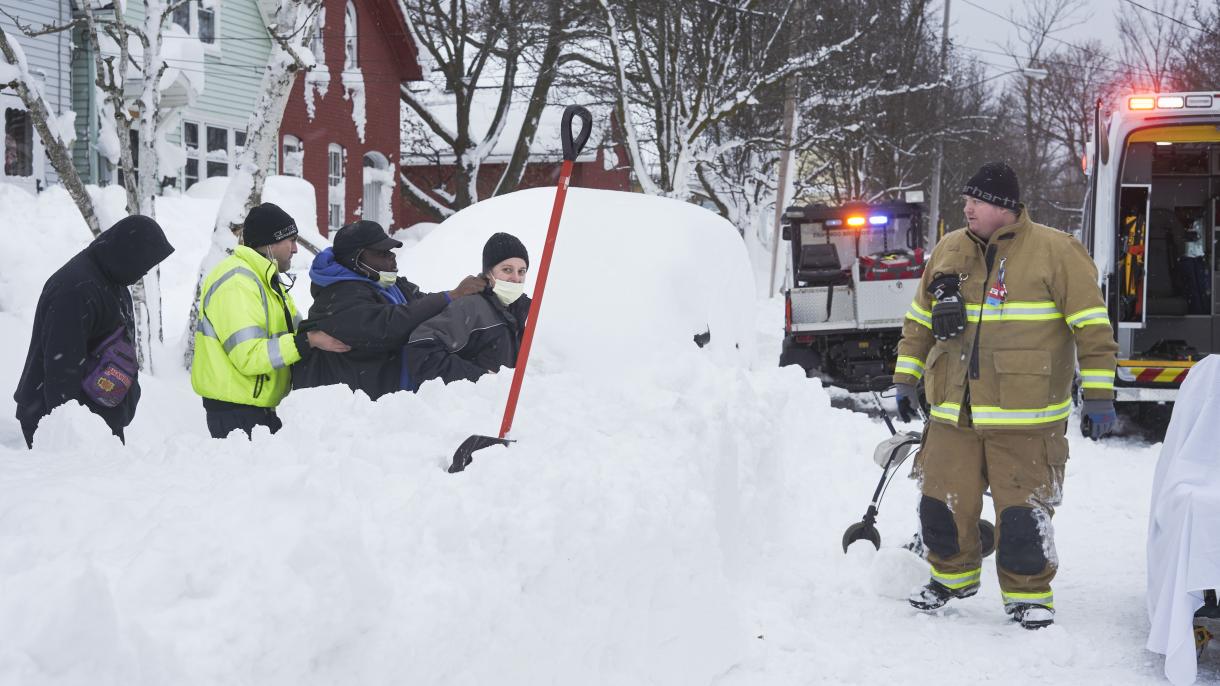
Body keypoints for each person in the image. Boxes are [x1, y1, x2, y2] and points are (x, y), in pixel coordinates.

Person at [892, 162, 1118, 630]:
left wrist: (1099, 394)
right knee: (942, 501)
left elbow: (1093, 329)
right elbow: (918, 321)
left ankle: (1028, 593)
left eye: (977, 201)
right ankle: (950, 577)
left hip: (1025, 415)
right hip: (953, 410)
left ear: (1003, 206)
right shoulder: (949, 249)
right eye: (967, 201)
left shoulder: (1057, 252)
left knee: (1022, 511)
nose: (967, 207)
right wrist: (905, 377)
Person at [190, 202, 350, 438]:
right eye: (291, 241)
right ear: (269, 244)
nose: (295, 249)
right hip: (236, 412)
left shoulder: (264, 280)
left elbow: (296, 329)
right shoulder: (237, 283)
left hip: (257, 407)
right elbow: (249, 356)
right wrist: (309, 341)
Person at [14, 215, 174, 447]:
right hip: (65, 426)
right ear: (126, 253)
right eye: (143, 264)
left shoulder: (113, 279)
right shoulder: (75, 289)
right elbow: (62, 371)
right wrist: (70, 435)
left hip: (97, 419)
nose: (145, 273)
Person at [292, 220, 487, 399]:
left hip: (389, 395)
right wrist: (450, 296)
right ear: (356, 259)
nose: (392, 257)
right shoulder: (338, 295)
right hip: (353, 412)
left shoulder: (384, 282)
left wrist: (469, 296)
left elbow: (422, 304)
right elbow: (387, 326)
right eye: (381, 253)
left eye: (391, 251)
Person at [405, 232, 532, 390]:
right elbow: (421, 352)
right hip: (472, 410)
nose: (516, 278)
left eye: (522, 271)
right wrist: (479, 379)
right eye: (507, 270)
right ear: (488, 273)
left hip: (500, 408)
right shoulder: (471, 306)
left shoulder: (522, 312)